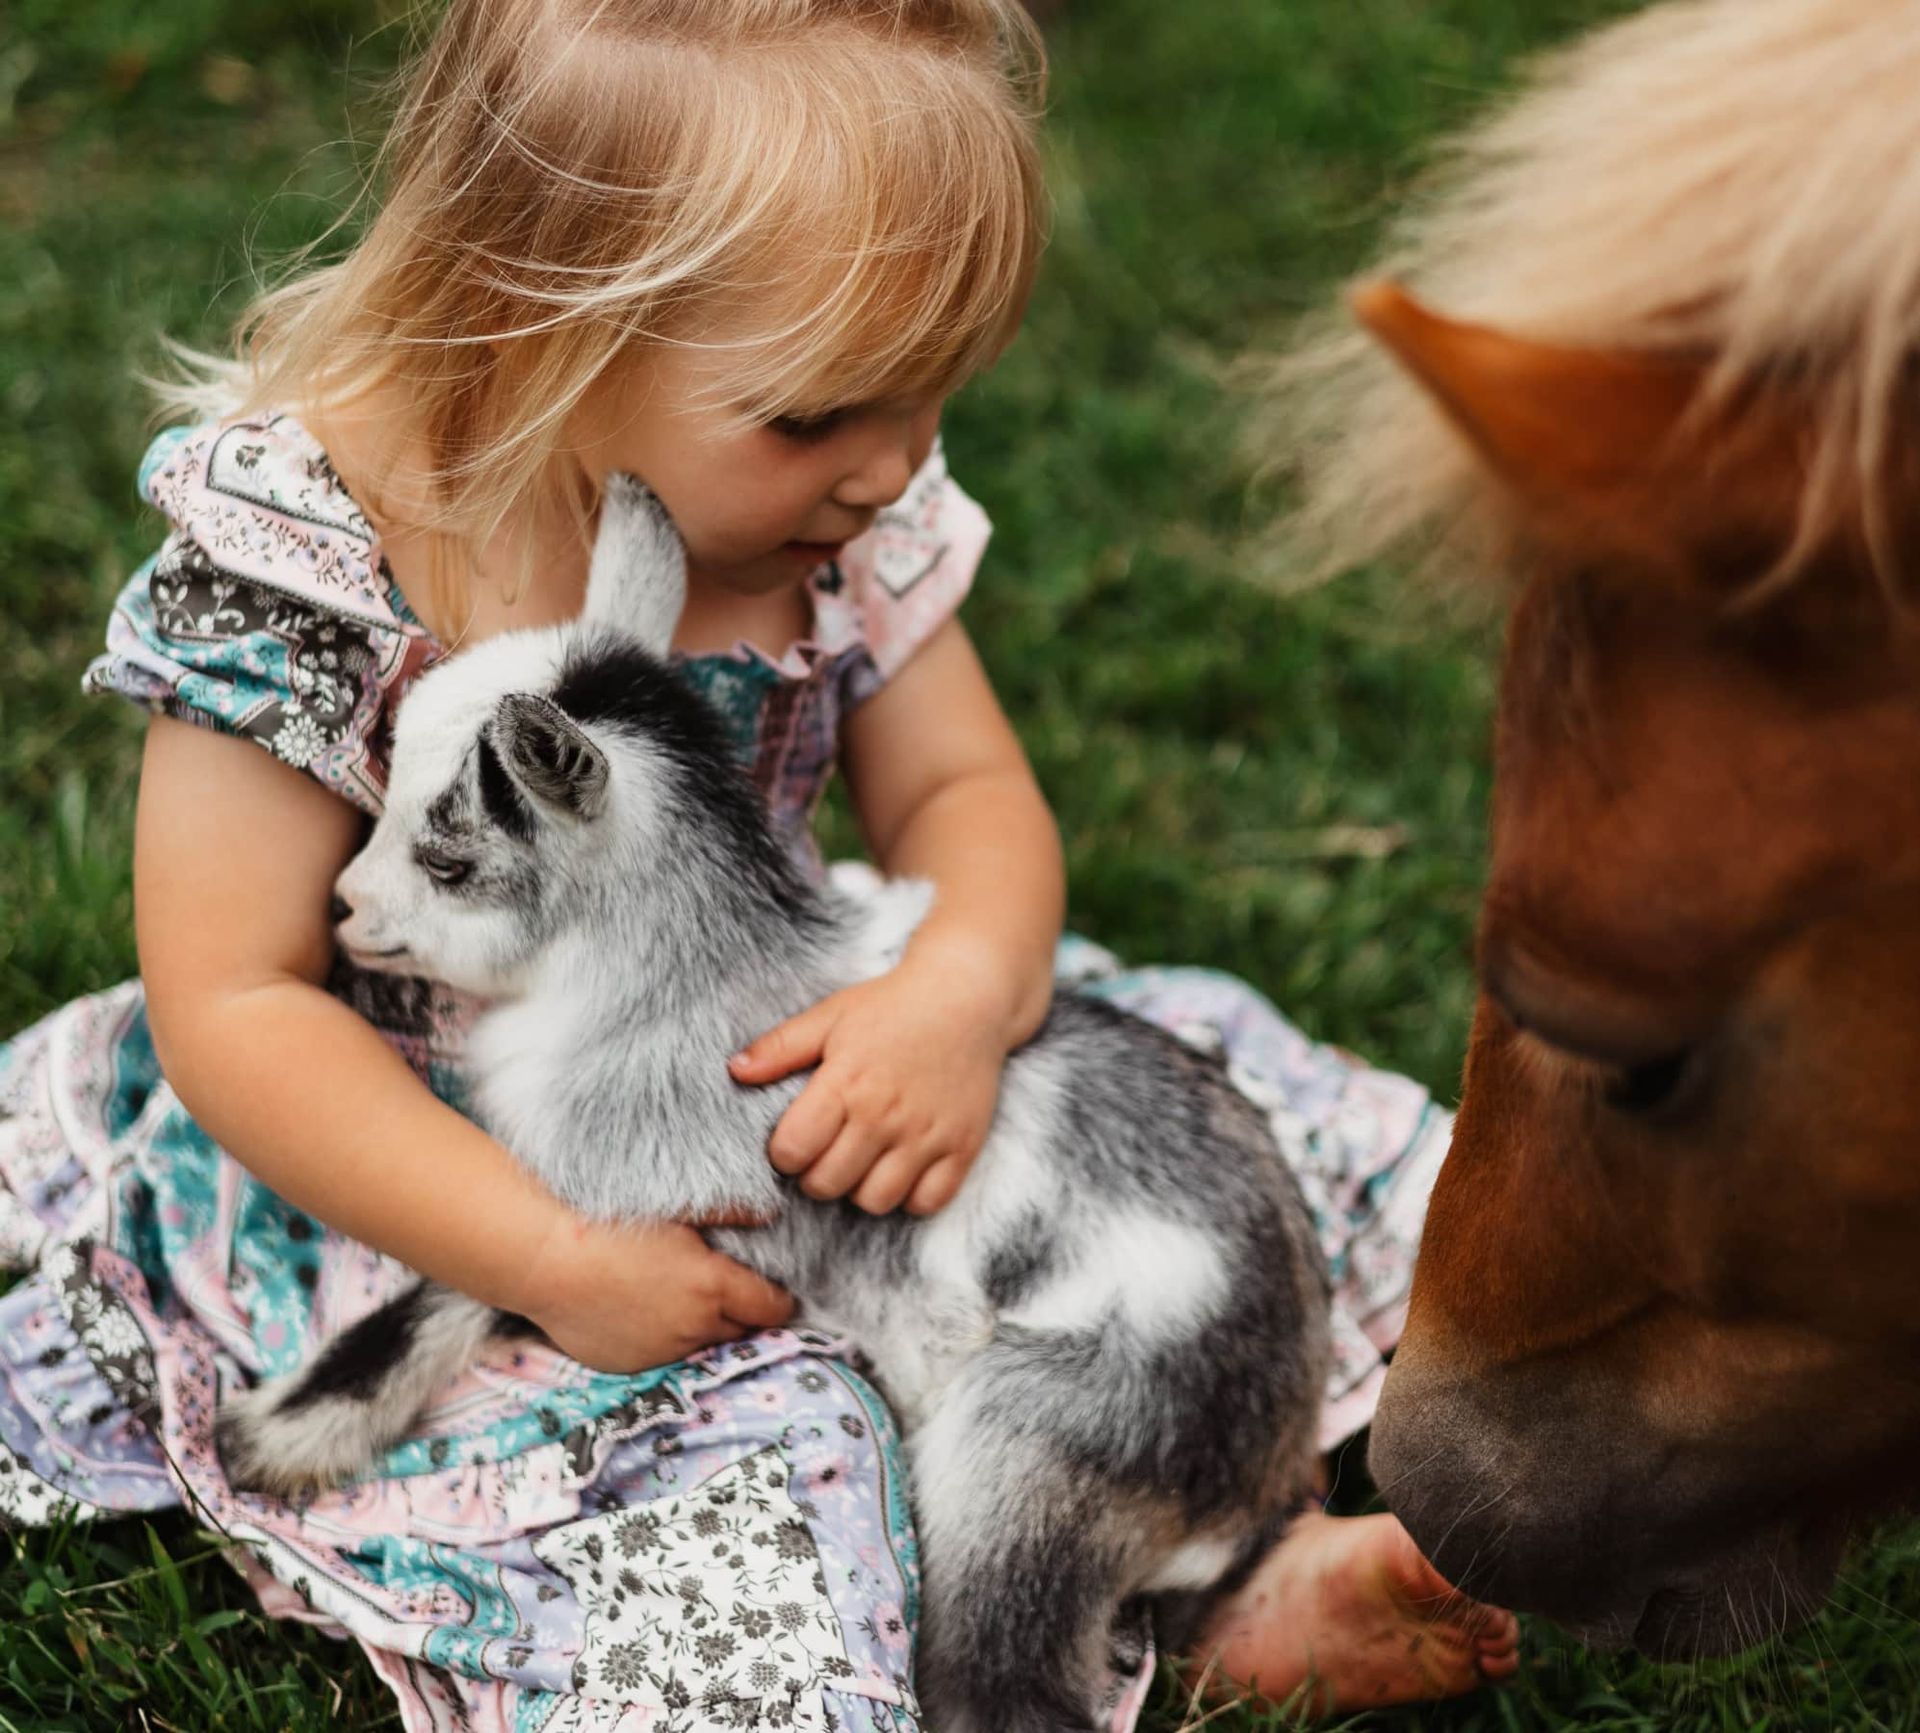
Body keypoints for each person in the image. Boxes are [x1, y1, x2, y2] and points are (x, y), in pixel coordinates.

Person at [0, 1, 1518, 1725]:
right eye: (819, 413)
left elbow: (964, 800)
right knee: (778, 1465)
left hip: (811, 1061)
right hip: (455, 1179)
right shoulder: (311, 559)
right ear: (545, 318)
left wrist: (952, 994)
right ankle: (1125, 1601)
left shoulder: (831, 518)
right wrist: (546, 1256)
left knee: (1263, 1163)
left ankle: (1228, 1540)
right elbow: (234, 996)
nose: (889, 466)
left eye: (932, 395)